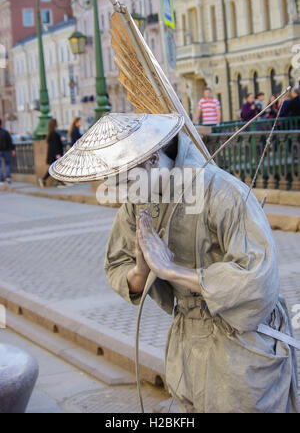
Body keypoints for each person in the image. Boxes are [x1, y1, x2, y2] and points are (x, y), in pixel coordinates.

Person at [49, 112, 300, 413]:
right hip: (187, 341)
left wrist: (172, 271)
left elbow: (258, 278)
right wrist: (142, 270)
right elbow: (116, 263)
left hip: (240, 344)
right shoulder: (137, 203)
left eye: (129, 180)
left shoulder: (223, 193)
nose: (126, 193)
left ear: (153, 159)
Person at [38, 119, 65, 188]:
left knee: (54, 169)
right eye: (57, 123)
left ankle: (58, 181)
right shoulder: (54, 134)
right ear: (55, 124)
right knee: (55, 169)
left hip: (52, 154)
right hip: (55, 154)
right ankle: (58, 182)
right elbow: (55, 145)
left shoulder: (50, 133)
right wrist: (57, 154)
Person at [0, 119, 15, 185]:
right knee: (8, 164)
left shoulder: (5, 132)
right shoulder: (5, 132)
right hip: (6, 150)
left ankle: (1, 180)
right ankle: (8, 177)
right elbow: (10, 141)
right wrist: (12, 149)